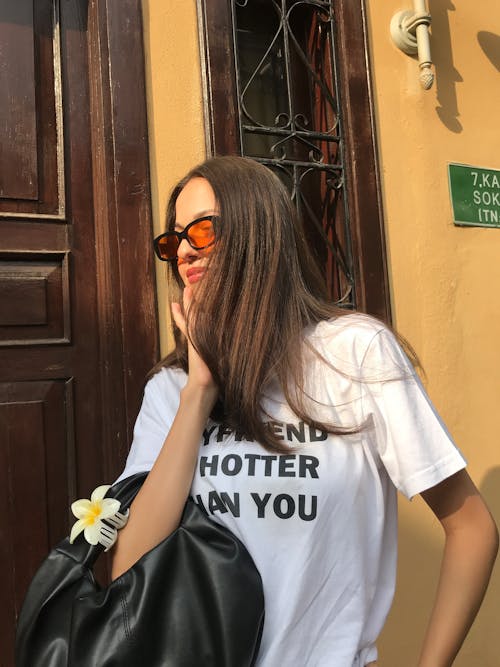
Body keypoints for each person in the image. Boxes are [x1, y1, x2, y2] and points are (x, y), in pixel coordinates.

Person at [111, 156, 498, 667]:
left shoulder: (355, 353)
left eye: (202, 230)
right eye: (173, 239)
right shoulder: (171, 390)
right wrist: (200, 391)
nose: (183, 250)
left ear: (259, 230)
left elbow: (471, 527)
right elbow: (128, 564)